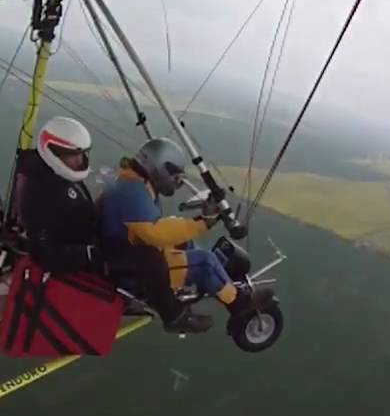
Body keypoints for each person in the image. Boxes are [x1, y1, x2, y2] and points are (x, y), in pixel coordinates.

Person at [97, 137, 271, 334]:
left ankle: (218, 281)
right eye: (174, 177)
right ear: (160, 168)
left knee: (185, 242)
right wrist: (203, 222)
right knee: (205, 261)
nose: (177, 182)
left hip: (126, 250)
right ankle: (239, 303)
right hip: (131, 271)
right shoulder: (133, 191)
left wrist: (199, 220)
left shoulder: (132, 181)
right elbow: (155, 232)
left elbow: (149, 228)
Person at [10, 116, 103, 274]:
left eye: (82, 154)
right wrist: (89, 254)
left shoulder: (59, 176)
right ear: (54, 152)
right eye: (73, 155)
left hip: (88, 241)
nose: (79, 161)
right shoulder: (40, 191)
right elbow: (45, 253)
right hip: (75, 265)